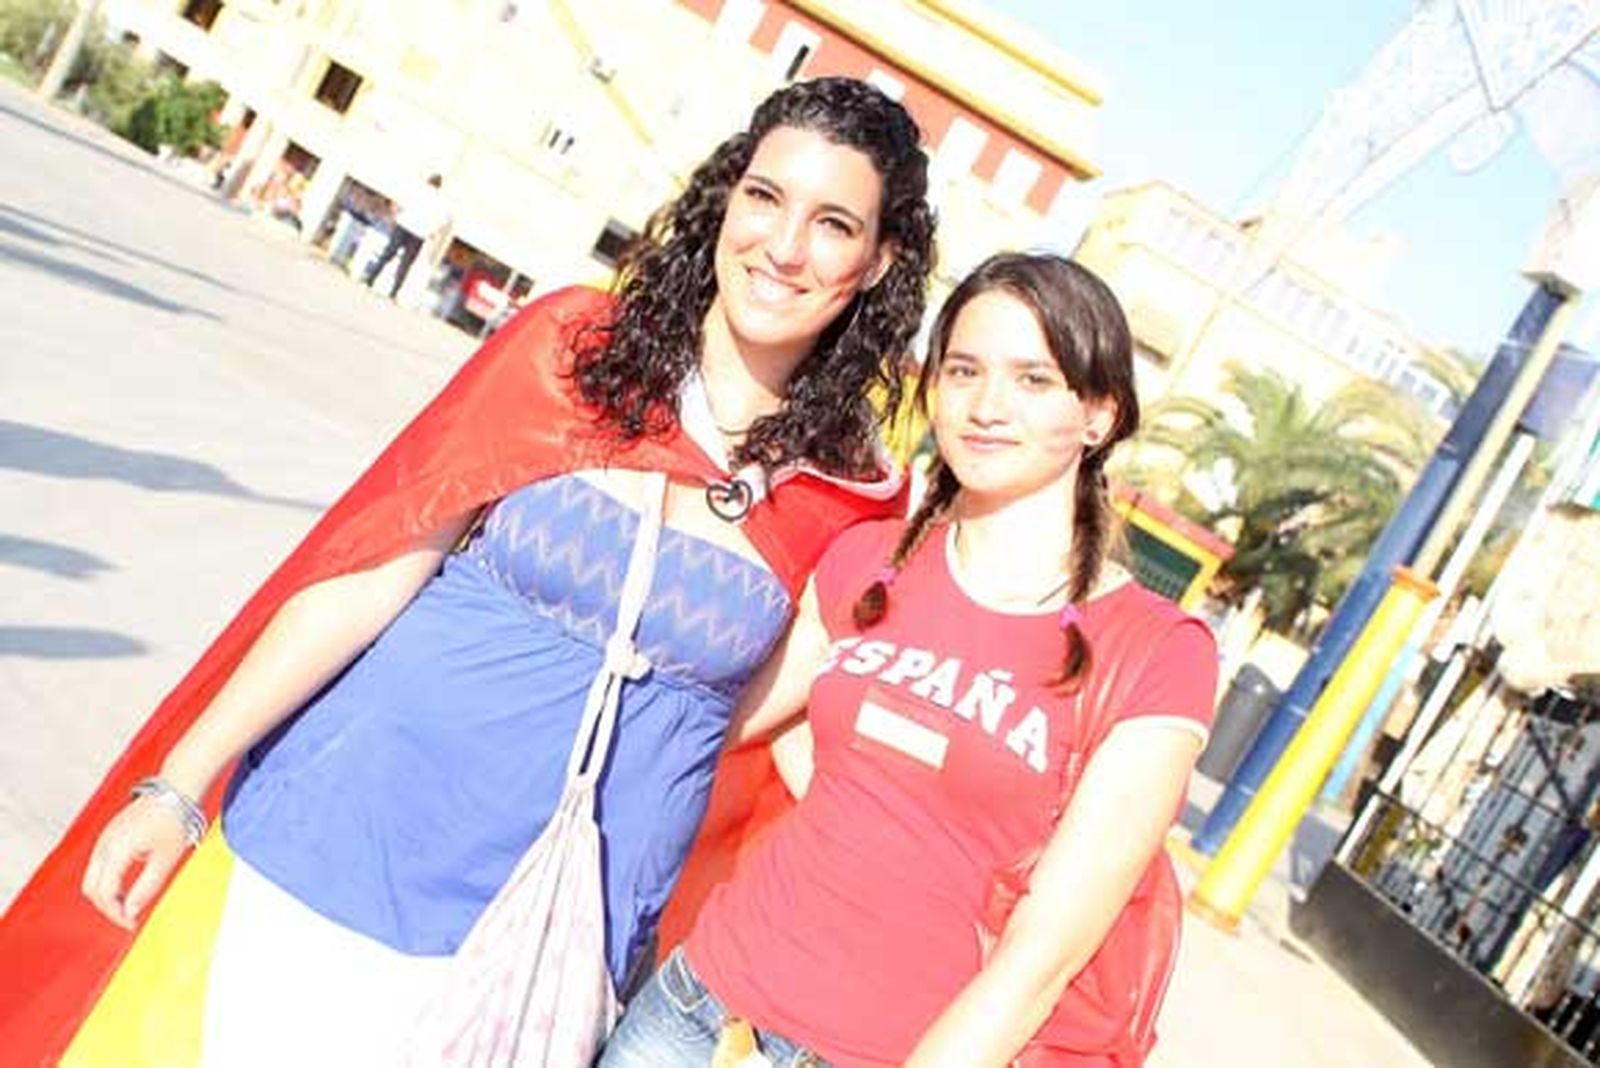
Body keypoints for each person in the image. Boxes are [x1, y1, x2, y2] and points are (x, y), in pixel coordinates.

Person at [0, 76, 935, 1067]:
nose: (782, 247)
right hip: (330, 855)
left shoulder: (852, 499)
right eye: (764, 196)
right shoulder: (573, 352)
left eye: (832, 223)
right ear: (725, 200)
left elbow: (769, 734)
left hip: (550, 955)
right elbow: (372, 570)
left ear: (877, 262)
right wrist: (179, 785)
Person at [601, 252, 1219, 1068]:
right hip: (698, 1006)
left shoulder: (1155, 651)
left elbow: (1046, 954)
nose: (987, 405)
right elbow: (728, 713)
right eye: (963, 370)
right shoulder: (869, 561)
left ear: (1099, 414)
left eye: (1034, 380)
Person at [364, 172, 451, 298]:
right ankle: (394, 292)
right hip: (419, 234)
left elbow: (398, 203)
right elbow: (444, 221)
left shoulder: (417, 189)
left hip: (404, 225)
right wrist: (432, 231)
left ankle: (370, 279)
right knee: (405, 264)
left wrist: (395, 216)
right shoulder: (441, 201)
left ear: (429, 180)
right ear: (439, 186)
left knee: (388, 254)